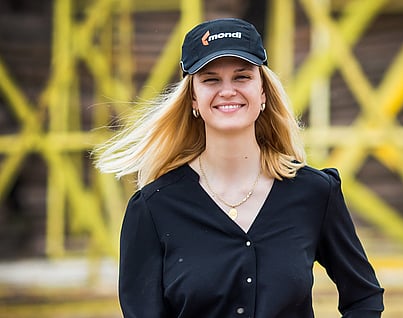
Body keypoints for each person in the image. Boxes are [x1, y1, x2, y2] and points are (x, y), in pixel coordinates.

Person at [94, 17, 384, 318]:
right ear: (193, 97)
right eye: (210, 79)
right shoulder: (152, 210)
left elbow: (364, 297)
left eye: (242, 77)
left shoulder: (315, 193)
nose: (228, 90)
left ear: (263, 93)